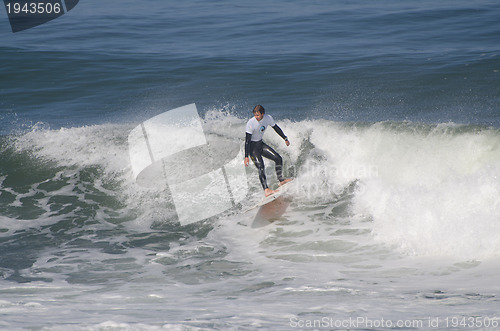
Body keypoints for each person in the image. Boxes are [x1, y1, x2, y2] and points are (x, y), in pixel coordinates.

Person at [244, 105, 292, 196]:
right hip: (252, 148)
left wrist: (285, 138)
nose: (256, 117)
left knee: (278, 158)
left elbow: (276, 128)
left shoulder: (268, 118)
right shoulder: (251, 123)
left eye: (258, 115)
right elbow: (247, 142)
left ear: (263, 114)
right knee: (261, 167)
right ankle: (266, 189)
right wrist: (246, 156)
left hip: (260, 145)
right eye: (255, 115)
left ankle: (281, 180)